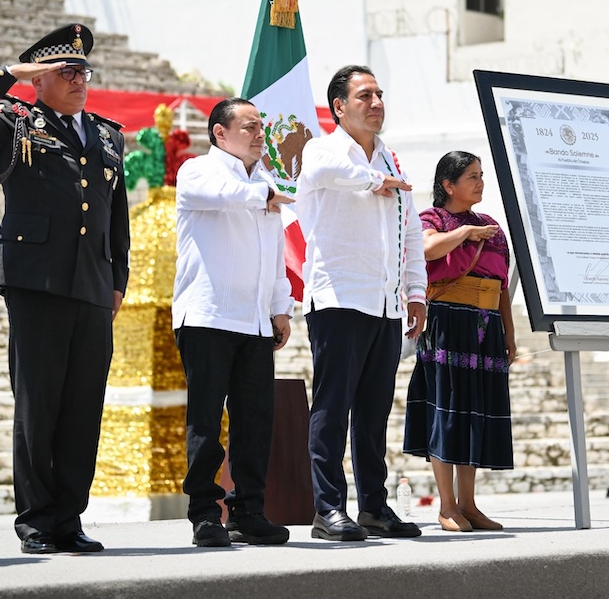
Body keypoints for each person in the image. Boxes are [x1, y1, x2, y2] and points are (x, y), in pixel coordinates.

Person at [0, 24, 130, 552]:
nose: (77, 78)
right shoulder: (13, 122)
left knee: (82, 408)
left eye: (81, 70)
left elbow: (117, 218)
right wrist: (8, 75)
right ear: (39, 79)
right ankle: (35, 521)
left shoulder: (106, 134)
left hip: (93, 284)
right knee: (38, 406)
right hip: (37, 283)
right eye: (64, 71)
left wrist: (118, 279)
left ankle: (69, 519)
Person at [298, 65, 428, 541]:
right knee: (332, 409)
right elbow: (320, 173)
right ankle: (328, 508)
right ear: (339, 107)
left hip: (386, 303)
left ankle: (374, 506)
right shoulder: (324, 148)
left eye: (379, 94)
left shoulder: (392, 160)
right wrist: (374, 181)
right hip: (339, 297)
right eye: (364, 95)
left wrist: (416, 291)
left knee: (374, 414)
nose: (376, 103)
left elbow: (411, 231)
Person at [173, 98, 295, 547]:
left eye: (261, 125)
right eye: (249, 126)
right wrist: (262, 195)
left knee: (255, 421)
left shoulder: (264, 181)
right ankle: (205, 513)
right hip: (208, 314)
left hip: (255, 320)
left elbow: (276, 256)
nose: (260, 133)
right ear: (220, 134)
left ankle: (248, 511)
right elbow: (212, 197)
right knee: (206, 421)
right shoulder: (198, 170)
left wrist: (281, 306)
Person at [403, 151, 515, 532]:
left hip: (485, 329)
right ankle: (447, 505)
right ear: (448, 185)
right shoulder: (431, 219)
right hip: (448, 325)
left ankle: (469, 504)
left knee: (475, 414)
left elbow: (501, 289)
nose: (480, 182)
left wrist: (509, 336)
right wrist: (465, 233)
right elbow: (426, 250)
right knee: (447, 411)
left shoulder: (492, 228)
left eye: (481, 175)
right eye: (471, 176)